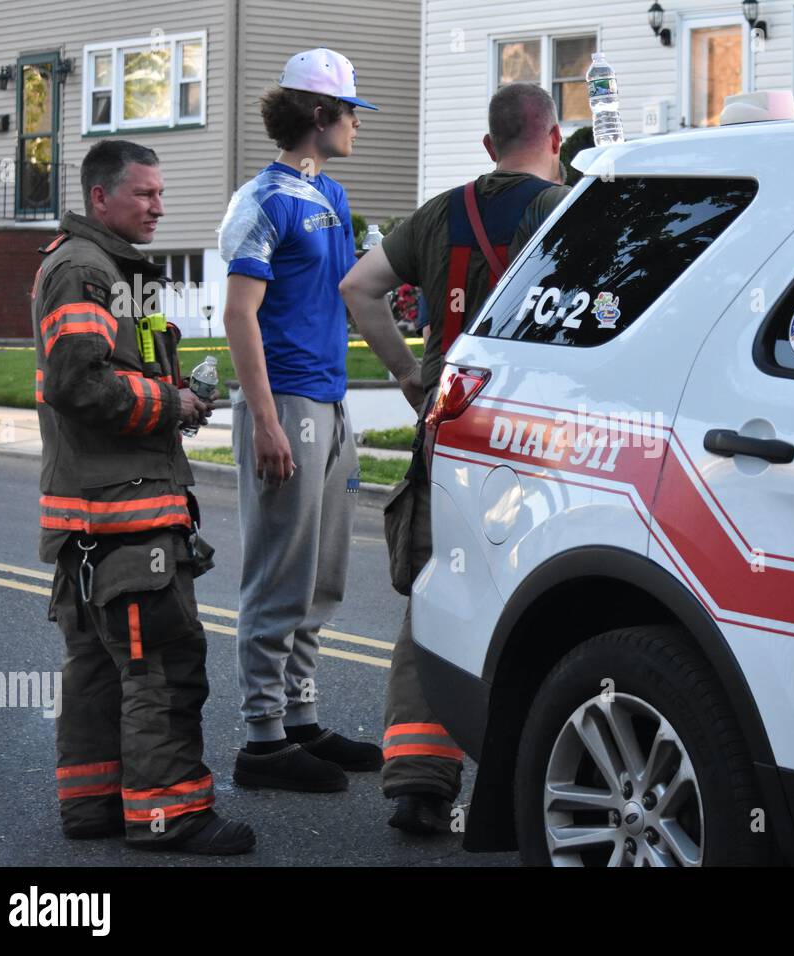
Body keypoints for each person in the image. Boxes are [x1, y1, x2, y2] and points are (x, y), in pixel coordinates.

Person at [340, 82, 570, 833]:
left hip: (451, 427)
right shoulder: (563, 211)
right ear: (556, 139)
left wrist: (409, 375)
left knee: (439, 593)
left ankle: (416, 780)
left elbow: (359, 287)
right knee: (544, 601)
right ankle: (523, 783)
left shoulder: (440, 212)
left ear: (487, 145)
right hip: (538, 436)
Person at [36, 139, 254, 854]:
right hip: (124, 515)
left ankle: (94, 805)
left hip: (95, 513)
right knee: (160, 663)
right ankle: (170, 814)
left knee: (99, 667)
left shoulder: (111, 268)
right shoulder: (85, 269)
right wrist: (174, 403)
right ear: (102, 197)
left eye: (161, 193)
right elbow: (79, 384)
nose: (159, 206)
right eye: (145, 195)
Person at [220, 49, 381, 791]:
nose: (357, 124)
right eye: (350, 112)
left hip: (331, 401)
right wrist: (265, 422)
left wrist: (405, 373)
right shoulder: (262, 200)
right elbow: (238, 315)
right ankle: (261, 741)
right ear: (320, 116)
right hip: (285, 403)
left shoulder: (334, 196)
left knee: (322, 576)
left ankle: (300, 718)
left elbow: (353, 293)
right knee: (278, 575)